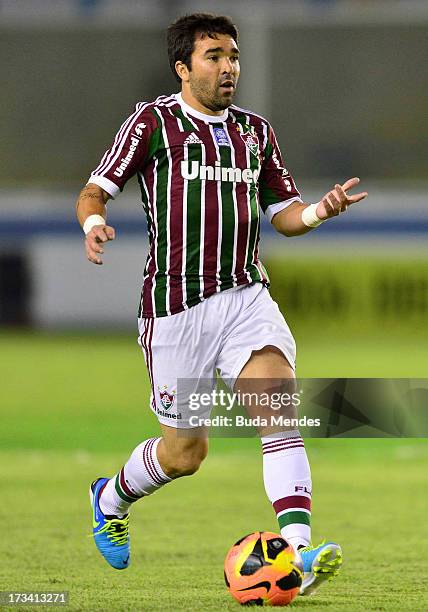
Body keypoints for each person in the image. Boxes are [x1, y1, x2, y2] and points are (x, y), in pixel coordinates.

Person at [76, 13, 367, 596]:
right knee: (186, 453)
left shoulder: (255, 132)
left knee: (280, 413)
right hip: (176, 308)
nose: (228, 66)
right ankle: (109, 497)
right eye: (213, 56)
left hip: (244, 297)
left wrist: (319, 211)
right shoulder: (152, 123)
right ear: (183, 67)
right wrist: (94, 222)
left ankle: (300, 553)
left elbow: (283, 215)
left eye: (233, 55)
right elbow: (95, 189)